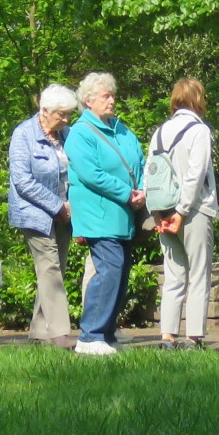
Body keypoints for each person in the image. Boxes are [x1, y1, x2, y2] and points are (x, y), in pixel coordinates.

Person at [68, 72, 146, 356]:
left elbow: (140, 161)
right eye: (106, 96)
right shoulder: (80, 133)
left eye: (112, 95)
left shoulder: (121, 129)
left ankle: (106, 333)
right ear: (89, 101)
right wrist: (127, 193)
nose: (112, 100)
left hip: (123, 215)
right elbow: (91, 174)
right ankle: (89, 336)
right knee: (109, 270)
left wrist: (143, 190)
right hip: (98, 215)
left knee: (121, 272)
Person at [7, 84, 78, 343]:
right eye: (62, 114)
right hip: (35, 214)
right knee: (50, 268)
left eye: (69, 114)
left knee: (53, 269)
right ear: (45, 110)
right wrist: (57, 206)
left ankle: (38, 333)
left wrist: (70, 205)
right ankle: (60, 333)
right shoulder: (23, 134)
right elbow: (22, 181)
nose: (67, 119)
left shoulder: (67, 134)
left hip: (65, 215)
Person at [152, 78, 219, 350]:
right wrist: (182, 210)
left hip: (163, 209)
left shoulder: (159, 132)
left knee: (174, 274)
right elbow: (196, 173)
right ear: (198, 99)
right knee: (199, 272)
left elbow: (151, 174)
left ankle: (167, 336)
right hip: (194, 210)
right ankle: (193, 337)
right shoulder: (199, 131)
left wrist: (157, 213)